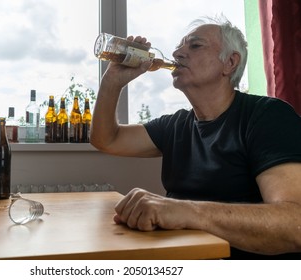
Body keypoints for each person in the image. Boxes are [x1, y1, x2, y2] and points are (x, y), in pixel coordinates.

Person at [90, 16, 301, 259]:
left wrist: (186, 211)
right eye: (179, 46)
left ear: (230, 63)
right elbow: (107, 139)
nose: (177, 52)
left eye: (195, 45)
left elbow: (295, 224)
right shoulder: (176, 124)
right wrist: (112, 81)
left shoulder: (267, 116)